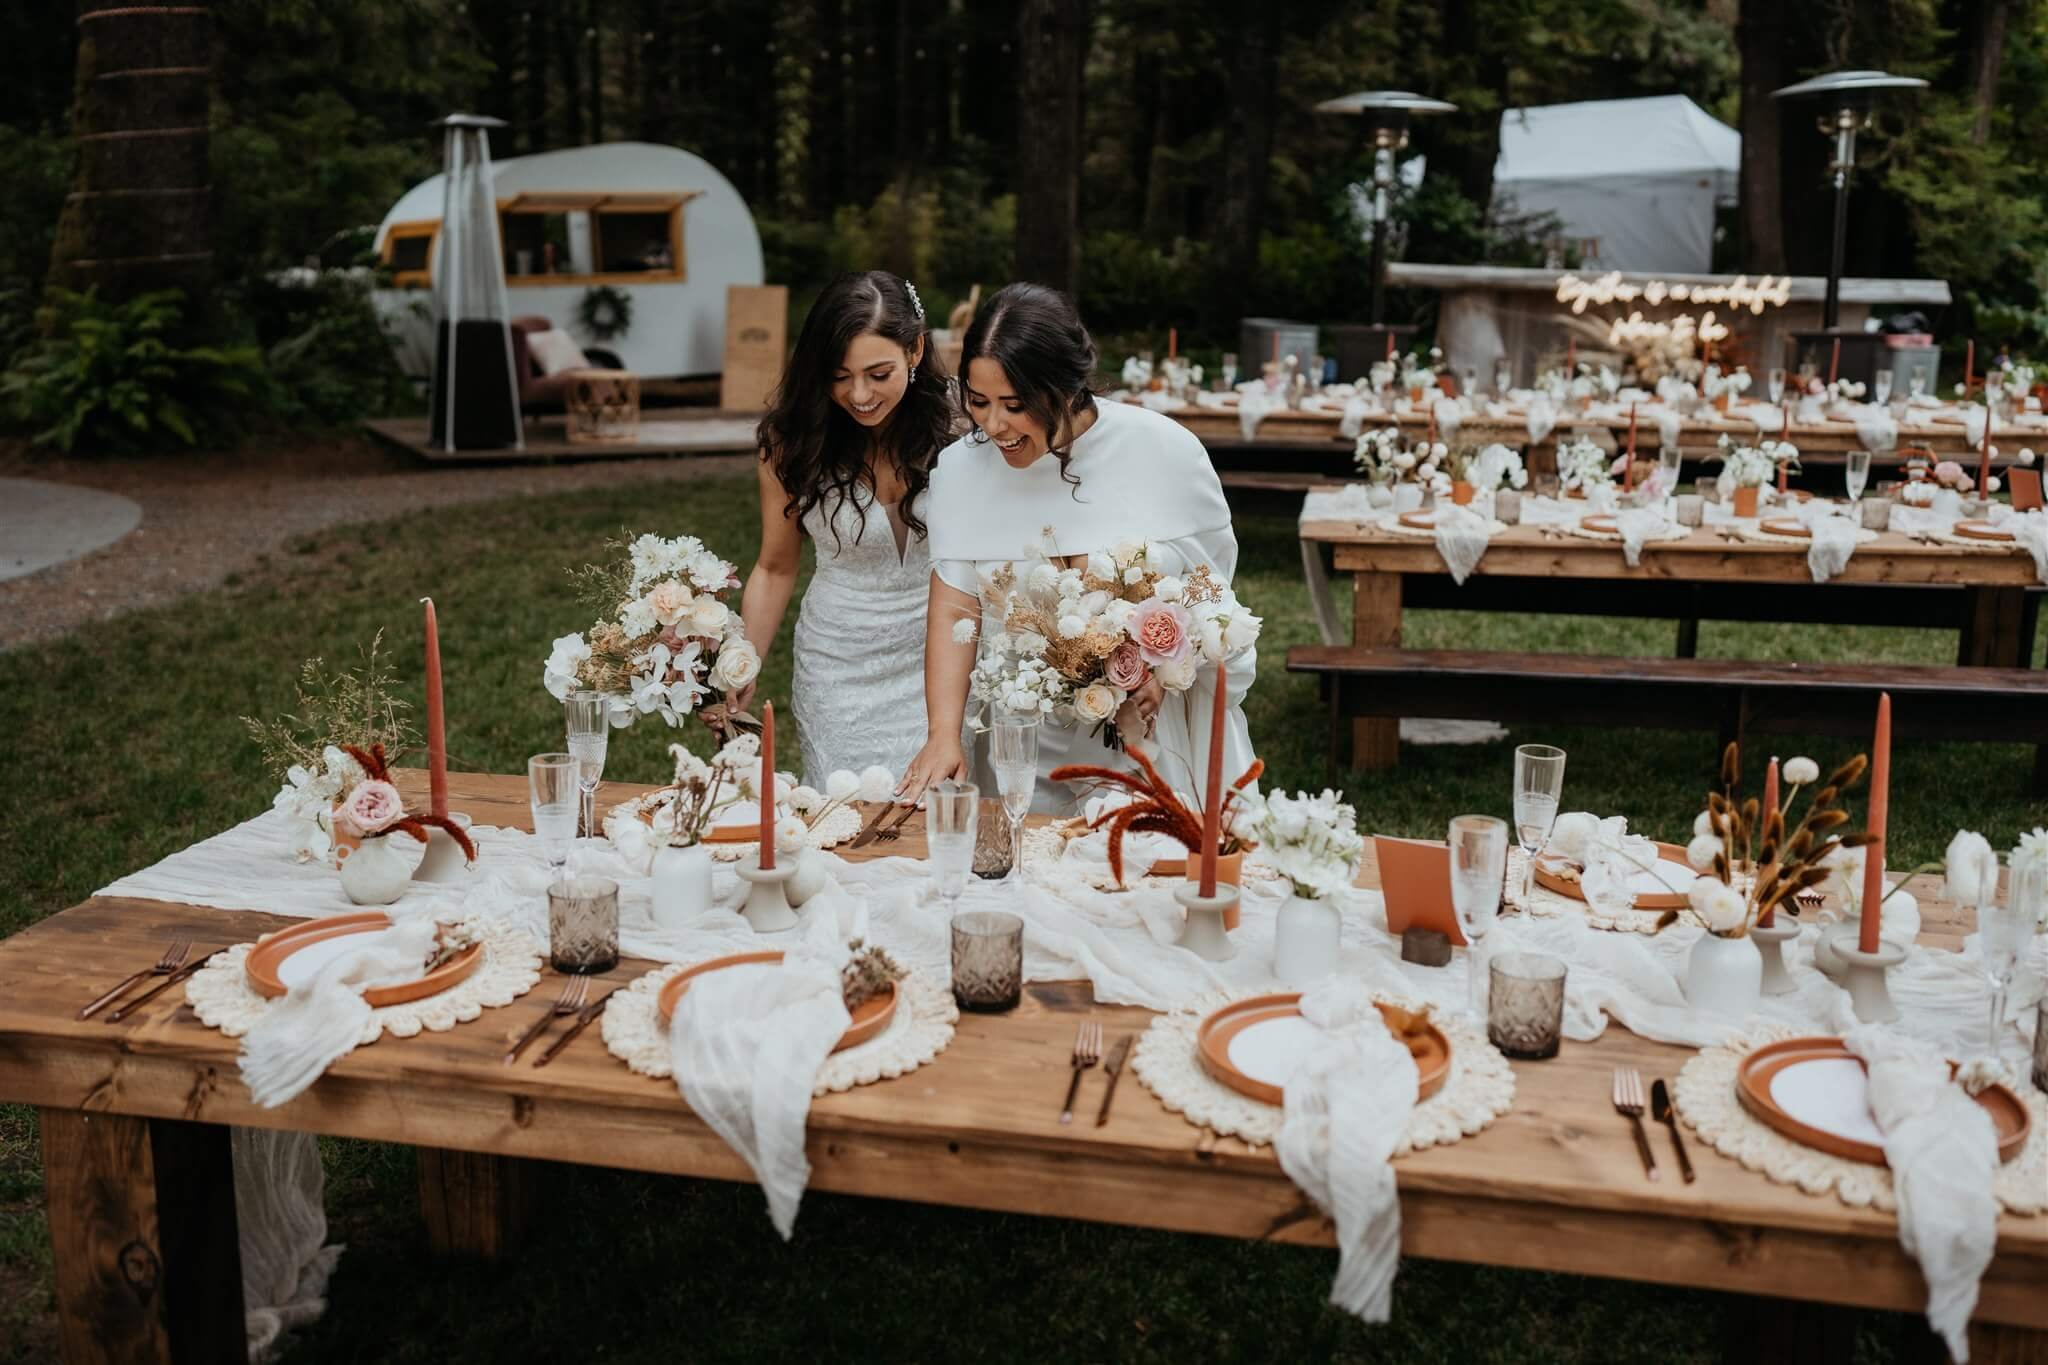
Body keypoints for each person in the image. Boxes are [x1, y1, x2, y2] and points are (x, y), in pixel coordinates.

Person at [897, 282, 1255, 814]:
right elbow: (954, 609)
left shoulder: (1165, 451)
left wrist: (1162, 665)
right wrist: (943, 732)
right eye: (978, 402)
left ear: (1065, 388)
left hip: (1148, 735)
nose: (993, 426)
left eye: (1015, 406)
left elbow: (1209, 587)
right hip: (1022, 741)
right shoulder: (961, 473)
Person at [736, 270, 954, 788]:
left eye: (879, 374)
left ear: (915, 350)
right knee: (844, 811)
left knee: (943, 817)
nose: (859, 394)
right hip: (839, 666)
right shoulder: (790, 442)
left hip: (944, 658)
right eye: (839, 376)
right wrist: (741, 664)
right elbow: (774, 565)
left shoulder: (963, 430)